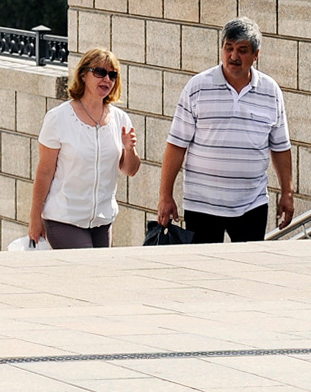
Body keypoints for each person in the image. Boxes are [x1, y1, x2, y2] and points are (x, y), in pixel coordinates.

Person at [157, 17, 294, 244]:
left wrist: (287, 193)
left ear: (255, 55)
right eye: (228, 48)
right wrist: (165, 196)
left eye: (242, 50)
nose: (233, 56)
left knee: (247, 271)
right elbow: (176, 145)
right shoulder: (197, 87)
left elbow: (280, 147)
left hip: (252, 204)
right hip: (202, 204)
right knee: (205, 272)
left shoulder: (271, 91)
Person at [28, 48, 141, 248]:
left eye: (112, 75)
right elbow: (45, 172)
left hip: (102, 221)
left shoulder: (120, 119)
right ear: (83, 75)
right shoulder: (58, 118)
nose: (107, 79)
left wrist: (129, 149)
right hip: (64, 219)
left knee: (98, 277)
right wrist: (35, 219)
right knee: (88, 274)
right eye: (100, 72)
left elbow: (129, 170)